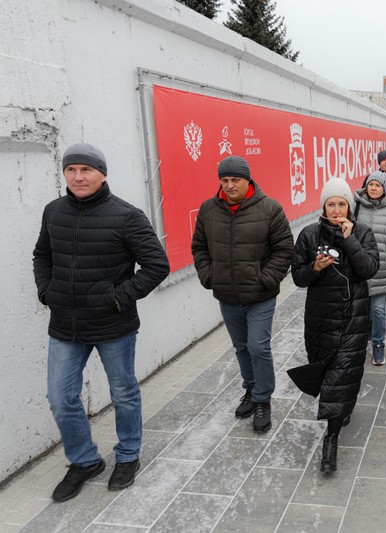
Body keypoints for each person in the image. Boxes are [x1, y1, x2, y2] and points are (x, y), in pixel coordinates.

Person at [33, 143, 169, 502]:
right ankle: (84, 461)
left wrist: (118, 297)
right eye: (71, 170)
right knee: (60, 397)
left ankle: (127, 456)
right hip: (65, 325)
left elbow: (157, 265)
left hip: (113, 325)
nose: (78, 177)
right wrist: (47, 292)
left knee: (124, 393)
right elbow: (42, 255)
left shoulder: (126, 215)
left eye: (86, 170)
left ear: (102, 173)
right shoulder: (53, 212)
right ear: (64, 173)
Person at [191, 155, 294, 433]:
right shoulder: (208, 209)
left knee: (258, 346)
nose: (229, 185)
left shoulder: (269, 208)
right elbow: (199, 247)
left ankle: (263, 400)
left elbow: (285, 248)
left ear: (247, 179)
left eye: (235, 179)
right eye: (224, 180)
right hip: (227, 295)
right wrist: (209, 276)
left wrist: (267, 278)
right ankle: (250, 389)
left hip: (260, 296)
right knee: (241, 348)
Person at [291, 178, 379, 473]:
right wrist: (314, 268)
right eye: (332, 204)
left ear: (350, 207)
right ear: (323, 207)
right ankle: (341, 408)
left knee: (343, 372)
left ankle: (331, 440)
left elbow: (369, 268)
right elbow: (298, 277)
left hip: (353, 317)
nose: (337, 210)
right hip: (320, 317)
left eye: (342, 204)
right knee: (327, 369)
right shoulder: (308, 235)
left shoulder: (363, 232)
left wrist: (350, 239)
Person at [354, 171, 386, 365]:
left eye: (378, 185)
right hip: (359, 267)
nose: (373, 188)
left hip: (381, 269)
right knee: (361, 309)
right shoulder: (356, 206)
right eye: (370, 184)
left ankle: (378, 344)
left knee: (378, 310)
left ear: (384, 188)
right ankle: (360, 340)